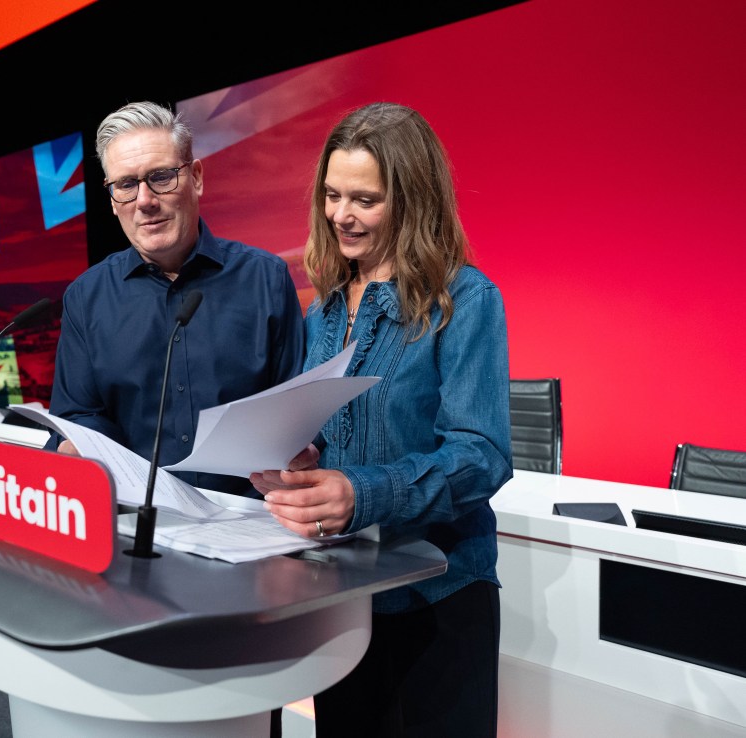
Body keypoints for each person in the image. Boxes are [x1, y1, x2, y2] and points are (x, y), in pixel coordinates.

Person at [251, 102, 513, 737]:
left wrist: (361, 492)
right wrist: (296, 460)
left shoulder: (466, 300)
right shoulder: (322, 312)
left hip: (440, 599)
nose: (341, 214)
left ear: (411, 201)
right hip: (344, 598)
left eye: (364, 199)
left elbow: (482, 456)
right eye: (333, 195)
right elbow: (328, 437)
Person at [46, 100, 305, 502]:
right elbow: (79, 414)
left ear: (196, 177)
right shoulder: (85, 297)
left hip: (254, 520)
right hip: (136, 521)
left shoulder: (265, 279)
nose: (144, 200)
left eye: (161, 177)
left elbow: (297, 408)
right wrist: (76, 446)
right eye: (126, 185)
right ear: (112, 199)